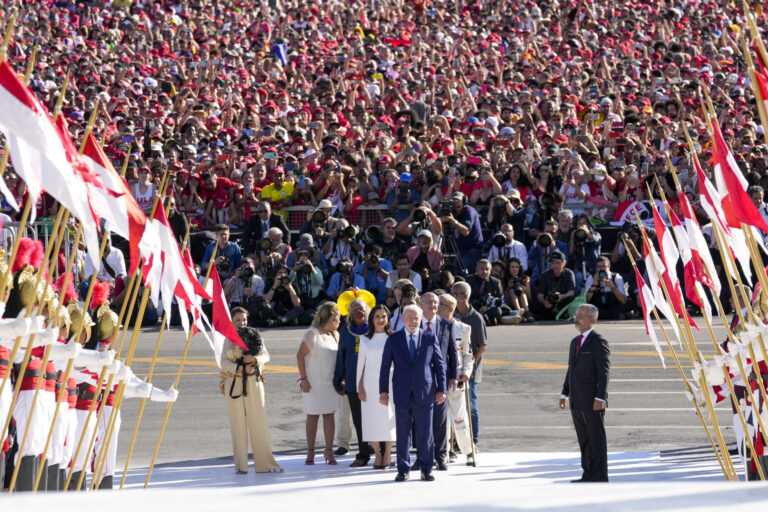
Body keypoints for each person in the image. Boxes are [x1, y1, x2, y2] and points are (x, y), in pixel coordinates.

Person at [379, 305, 446, 482]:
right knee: (403, 433)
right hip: (401, 392)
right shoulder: (394, 339)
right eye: (409, 318)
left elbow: (439, 365)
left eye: (416, 318)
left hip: (425, 392)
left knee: (425, 433)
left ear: (421, 319)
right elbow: (385, 366)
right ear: (403, 319)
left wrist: (442, 389)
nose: (413, 321)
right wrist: (383, 391)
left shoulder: (429, 337)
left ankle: (426, 469)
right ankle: (403, 469)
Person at [220, 308, 282, 474]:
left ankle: (264, 463)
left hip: (254, 382)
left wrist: (254, 359)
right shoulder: (228, 339)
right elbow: (223, 363)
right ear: (232, 321)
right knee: (237, 423)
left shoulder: (255, 335)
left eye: (244, 320)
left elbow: (266, 356)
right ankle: (241, 465)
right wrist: (239, 368)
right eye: (238, 320)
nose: (242, 323)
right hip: (235, 383)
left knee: (258, 422)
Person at [559, 304, 610, 483]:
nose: (577, 318)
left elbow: (603, 372)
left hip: (592, 399)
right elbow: (571, 369)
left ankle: (600, 474)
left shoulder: (598, 341)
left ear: (592, 319)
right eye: (577, 315)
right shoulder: (575, 342)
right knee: (584, 438)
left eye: (581, 315)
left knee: (596, 438)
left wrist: (600, 397)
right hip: (576, 399)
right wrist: (564, 393)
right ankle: (588, 473)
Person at [297, 302, 342, 465]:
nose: (339, 321)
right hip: (313, 382)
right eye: (336, 318)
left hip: (330, 382)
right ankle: (310, 452)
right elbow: (300, 356)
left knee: (329, 415)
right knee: (312, 415)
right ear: (326, 318)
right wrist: (303, 379)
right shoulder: (312, 334)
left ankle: (328, 451)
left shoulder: (335, 335)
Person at [333, 300, 373, 467]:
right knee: (358, 420)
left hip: (373, 383)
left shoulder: (375, 329)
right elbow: (341, 356)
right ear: (349, 313)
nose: (359, 312)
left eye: (361, 309)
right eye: (355, 309)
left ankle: (379, 451)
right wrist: (338, 379)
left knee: (375, 418)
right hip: (352, 383)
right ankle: (363, 453)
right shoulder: (345, 331)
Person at [356, 305, 396, 469]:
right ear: (371, 319)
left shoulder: (394, 337)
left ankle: (388, 454)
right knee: (371, 419)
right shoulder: (364, 339)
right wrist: (359, 386)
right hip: (370, 385)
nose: (380, 320)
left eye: (383, 316)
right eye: (377, 317)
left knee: (389, 418)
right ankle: (378, 454)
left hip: (390, 383)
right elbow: (360, 366)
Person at [437, 294, 474, 464]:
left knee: (459, 417)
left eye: (441, 304)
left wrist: (466, 372)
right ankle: (443, 452)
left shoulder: (463, 328)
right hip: (440, 378)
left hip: (457, 377)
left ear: (450, 308)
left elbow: (468, 355)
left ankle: (468, 450)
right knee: (442, 419)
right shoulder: (434, 326)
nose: (437, 307)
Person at [452, 281, 486, 464]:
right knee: (458, 407)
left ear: (465, 296)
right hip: (456, 368)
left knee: (470, 404)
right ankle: (457, 442)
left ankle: (474, 439)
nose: (456, 297)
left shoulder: (476, 318)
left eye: (458, 294)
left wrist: (471, 364)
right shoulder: (453, 316)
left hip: (470, 369)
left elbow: (482, 346)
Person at [532, 251, 577, 321]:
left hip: (564, 302)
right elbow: (540, 294)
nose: (555, 265)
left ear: (564, 263)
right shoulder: (544, 275)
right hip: (549, 303)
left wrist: (561, 296)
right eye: (552, 263)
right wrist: (544, 302)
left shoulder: (569, 274)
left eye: (558, 263)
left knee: (571, 299)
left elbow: (572, 292)